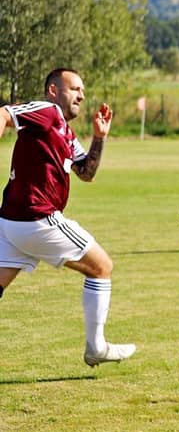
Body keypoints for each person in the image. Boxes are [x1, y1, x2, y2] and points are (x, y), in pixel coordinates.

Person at [0, 68, 136, 368]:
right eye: (74, 88)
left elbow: (86, 172)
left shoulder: (65, 131)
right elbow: (4, 114)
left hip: (11, 223)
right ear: (53, 90)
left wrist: (99, 137)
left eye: (83, 91)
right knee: (102, 267)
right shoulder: (47, 111)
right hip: (38, 219)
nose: (81, 96)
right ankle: (96, 348)